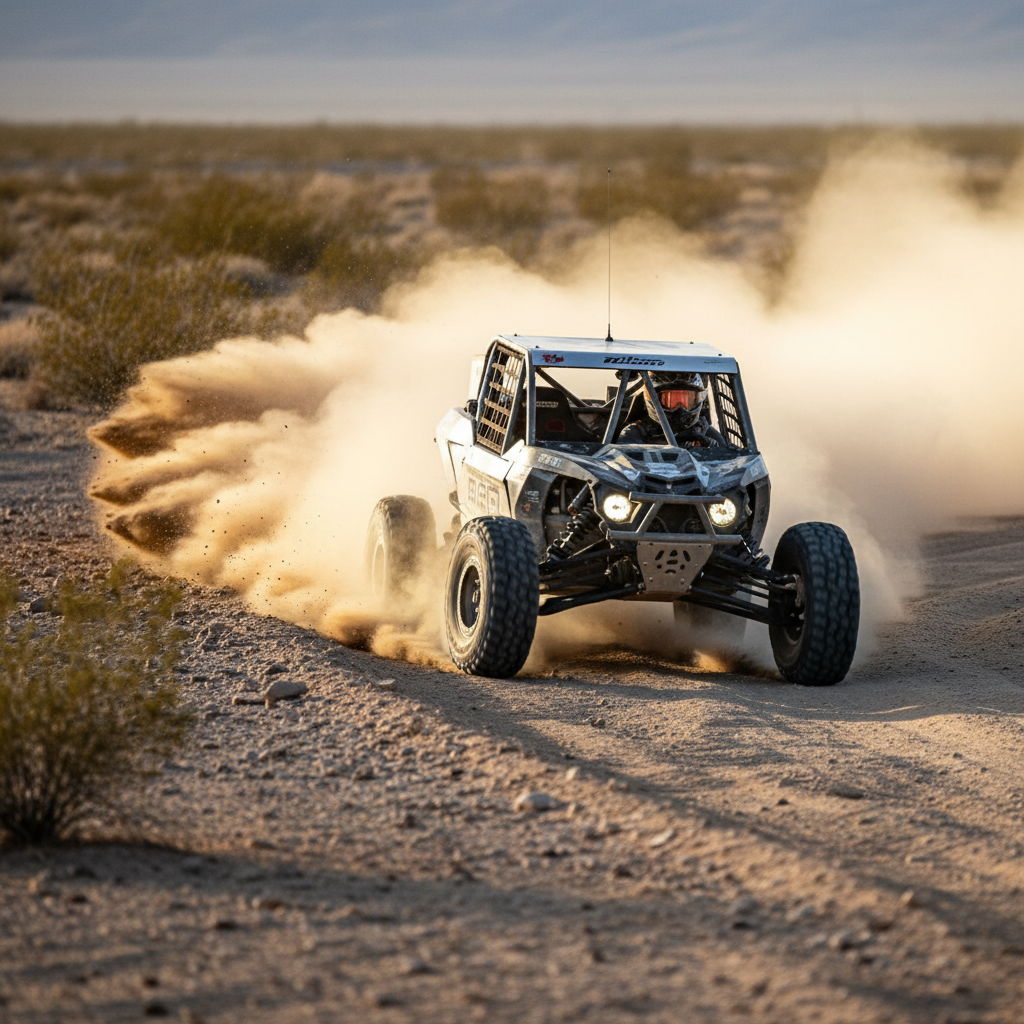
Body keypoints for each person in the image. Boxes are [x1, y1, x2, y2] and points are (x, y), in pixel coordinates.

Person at [617, 372, 724, 447]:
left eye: (686, 400)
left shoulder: (706, 433)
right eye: (671, 400)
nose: (680, 408)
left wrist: (711, 450)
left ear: (697, 400)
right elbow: (625, 468)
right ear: (654, 400)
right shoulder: (635, 434)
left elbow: (727, 465)